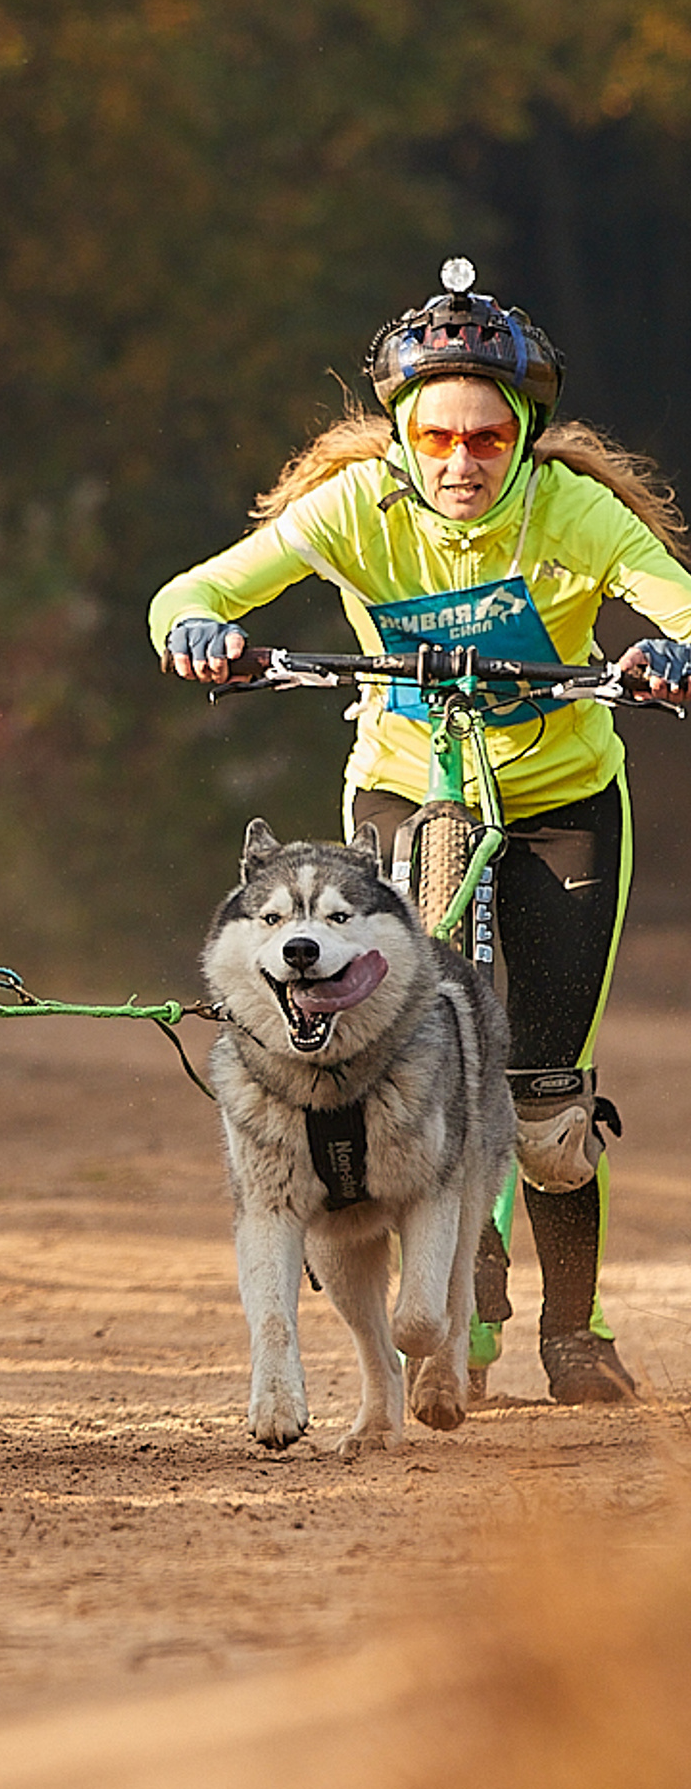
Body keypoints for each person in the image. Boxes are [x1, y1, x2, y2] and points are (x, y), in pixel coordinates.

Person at [148, 260, 691, 1406]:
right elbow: (192, 591)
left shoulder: (572, 512)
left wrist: (667, 652)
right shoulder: (355, 508)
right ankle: (451, 1306)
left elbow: (676, 602)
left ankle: (574, 1327)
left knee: (541, 1098)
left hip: (560, 801)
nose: (459, 463)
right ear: (397, 433)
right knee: (388, 1065)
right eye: (435, 437)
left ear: (527, 433)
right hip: (400, 790)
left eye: (488, 439)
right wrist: (198, 629)